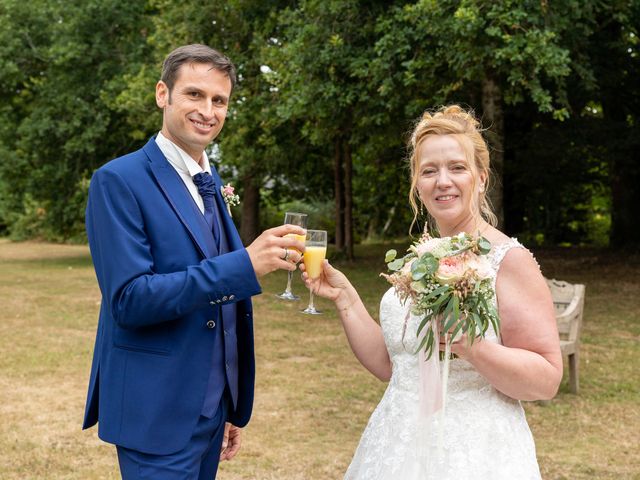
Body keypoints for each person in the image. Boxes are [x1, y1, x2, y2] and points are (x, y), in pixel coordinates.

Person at [302, 105, 563, 479]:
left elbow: (546, 379)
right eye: (429, 170)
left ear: (481, 178)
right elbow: (396, 366)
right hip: (398, 442)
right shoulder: (419, 260)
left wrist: (471, 346)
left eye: (457, 167)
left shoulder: (509, 260)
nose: (443, 181)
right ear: (417, 183)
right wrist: (346, 297)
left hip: (475, 452)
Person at [82, 44, 305, 479]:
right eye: (195, 95)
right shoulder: (117, 180)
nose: (208, 110)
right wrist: (245, 265)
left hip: (210, 410)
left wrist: (227, 402)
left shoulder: (209, 181)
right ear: (162, 94)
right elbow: (129, 299)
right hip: (155, 412)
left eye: (219, 100)